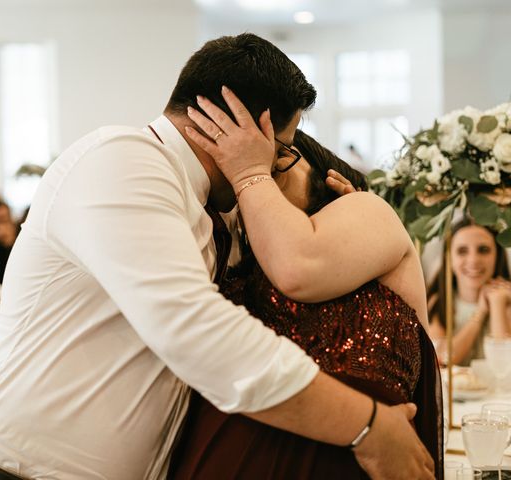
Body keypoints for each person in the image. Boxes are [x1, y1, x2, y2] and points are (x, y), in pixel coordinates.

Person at [0, 33, 433, 480]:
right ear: (242, 126)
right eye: (283, 148)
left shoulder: (217, 211)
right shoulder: (123, 161)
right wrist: (366, 426)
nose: (278, 163)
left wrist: (337, 218)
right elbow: (194, 328)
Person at [169, 93, 442, 477]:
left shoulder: (365, 208)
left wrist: (252, 172)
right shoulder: (241, 258)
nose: (257, 177)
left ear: (327, 179)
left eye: (278, 162)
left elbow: (299, 268)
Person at [428, 218, 511, 366]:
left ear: (497, 256)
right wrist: (480, 312)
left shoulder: (507, 299)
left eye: (483, 250)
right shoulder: (439, 302)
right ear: (449, 259)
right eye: (462, 251)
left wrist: (497, 303)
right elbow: (442, 360)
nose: (473, 260)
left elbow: (504, 366)